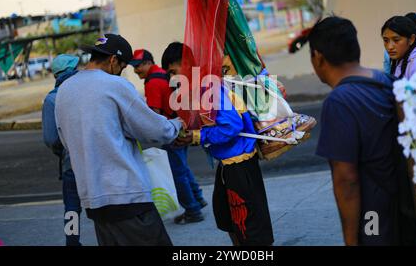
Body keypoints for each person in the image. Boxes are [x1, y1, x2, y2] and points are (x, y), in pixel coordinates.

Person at [54, 34, 183, 246]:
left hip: (93, 199)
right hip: (126, 195)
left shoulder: (64, 90)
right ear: (114, 60)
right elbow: (155, 129)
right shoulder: (114, 85)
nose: (122, 73)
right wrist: (176, 124)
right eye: (123, 67)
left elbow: (65, 141)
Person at [309, 16, 416, 246]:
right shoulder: (385, 80)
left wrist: (351, 240)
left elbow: (346, 179)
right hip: (407, 207)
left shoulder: (339, 102)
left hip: (374, 215)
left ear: (318, 58)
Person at [169, 42, 274, 246]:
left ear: (185, 64)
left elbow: (231, 126)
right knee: (228, 219)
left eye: (174, 71)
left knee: (248, 224)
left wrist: (196, 136)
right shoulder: (203, 85)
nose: (173, 78)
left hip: (239, 164)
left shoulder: (207, 87)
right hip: (228, 165)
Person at [129, 46, 206, 224]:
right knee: (183, 167)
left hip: (172, 130)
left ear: (149, 63)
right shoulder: (163, 74)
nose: (136, 70)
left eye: (139, 66)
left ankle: (193, 211)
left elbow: (153, 114)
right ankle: (198, 199)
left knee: (177, 172)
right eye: (133, 67)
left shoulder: (153, 82)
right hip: (182, 123)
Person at [42, 54, 82, 246]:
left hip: (71, 165)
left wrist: (62, 150)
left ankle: (72, 242)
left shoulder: (51, 100)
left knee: (72, 208)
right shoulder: (89, 91)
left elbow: (50, 138)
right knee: (103, 207)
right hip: (98, 161)